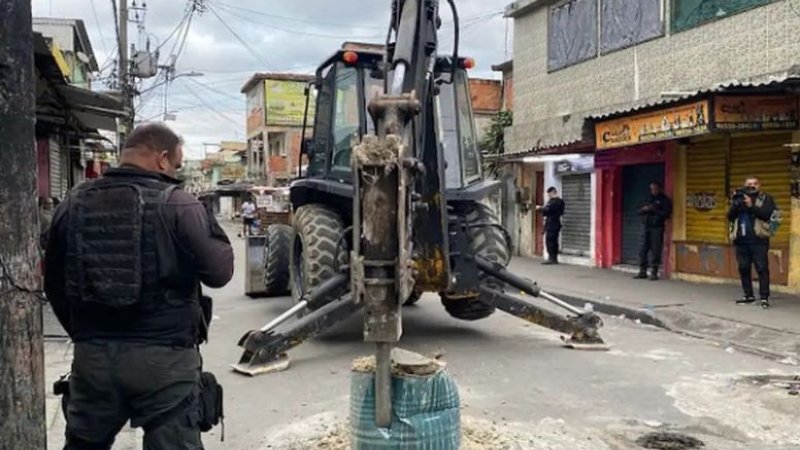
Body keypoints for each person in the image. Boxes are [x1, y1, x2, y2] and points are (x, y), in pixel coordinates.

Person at [44, 122, 234, 449]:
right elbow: (220, 273)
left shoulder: (72, 203)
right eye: (175, 165)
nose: (175, 172)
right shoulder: (179, 203)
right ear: (162, 159)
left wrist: (85, 335)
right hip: (165, 366)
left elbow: (53, 285)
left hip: (93, 361)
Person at [727, 176, 776, 307]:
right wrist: (736, 204)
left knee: (762, 268)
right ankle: (748, 295)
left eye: (754, 184)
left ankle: (764, 297)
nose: (751, 186)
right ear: (744, 185)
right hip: (741, 240)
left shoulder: (766, 199)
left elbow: (766, 215)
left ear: (759, 185)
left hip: (759, 241)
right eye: (749, 184)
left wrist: (751, 206)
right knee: (743, 268)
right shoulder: (739, 198)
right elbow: (729, 216)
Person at [634, 181, 672, 281]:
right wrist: (644, 209)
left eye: (655, 189)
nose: (653, 191)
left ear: (660, 189)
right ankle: (642, 271)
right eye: (651, 189)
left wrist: (654, 210)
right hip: (645, 226)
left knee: (656, 250)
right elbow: (638, 211)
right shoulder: (647, 198)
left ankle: (654, 272)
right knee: (643, 250)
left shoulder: (664, 200)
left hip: (657, 228)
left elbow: (667, 214)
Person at [538, 186, 565, 265]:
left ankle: (552, 258)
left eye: (549, 194)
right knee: (551, 240)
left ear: (553, 192)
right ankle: (552, 257)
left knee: (551, 241)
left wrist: (541, 208)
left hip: (553, 223)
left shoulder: (557, 202)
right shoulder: (552, 201)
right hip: (551, 223)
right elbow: (546, 211)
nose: (548, 196)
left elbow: (548, 210)